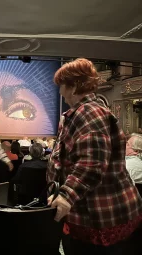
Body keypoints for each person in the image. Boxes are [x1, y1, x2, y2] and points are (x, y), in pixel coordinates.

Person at [47, 58, 142, 254]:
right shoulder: (85, 111)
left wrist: (65, 195)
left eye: (61, 86)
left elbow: (91, 163)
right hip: (94, 214)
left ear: (73, 87)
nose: (60, 92)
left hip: (102, 216)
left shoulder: (88, 112)